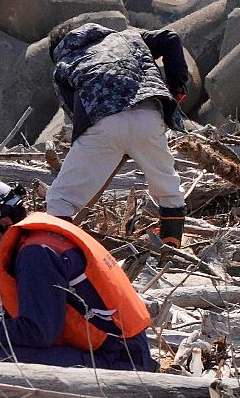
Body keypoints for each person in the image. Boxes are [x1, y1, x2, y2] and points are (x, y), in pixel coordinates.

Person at [0, 179, 157, 371]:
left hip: (122, 360)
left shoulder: (37, 254)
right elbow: (30, 323)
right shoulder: (35, 244)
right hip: (117, 350)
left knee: (4, 362)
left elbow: (38, 333)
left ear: (5, 223)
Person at [45, 19, 190, 245]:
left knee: (60, 199)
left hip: (103, 122)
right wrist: (176, 86)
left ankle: (60, 254)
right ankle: (170, 254)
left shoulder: (64, 62)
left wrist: (105, 144)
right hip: (148, 114)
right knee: (169, 190)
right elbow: (170, 38)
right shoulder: (129, 37)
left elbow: (75, 111)